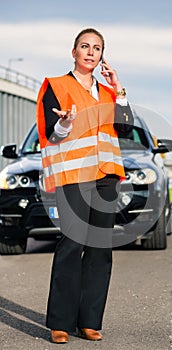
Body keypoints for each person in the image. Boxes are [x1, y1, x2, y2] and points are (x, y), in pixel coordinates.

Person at [36, 27, 134, 344]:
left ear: (101, 55)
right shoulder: (56, 86)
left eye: (96, 48)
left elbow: (125, 128)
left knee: (100, 250)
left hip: (105, 176)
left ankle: (89, 321)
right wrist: (65, 120)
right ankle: (61, 322)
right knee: (71, 245)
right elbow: (53, 132)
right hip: (74, 177)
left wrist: (120, 91)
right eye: (84, 46)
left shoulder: (107, 93)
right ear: (74, 52)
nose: (90, 52)